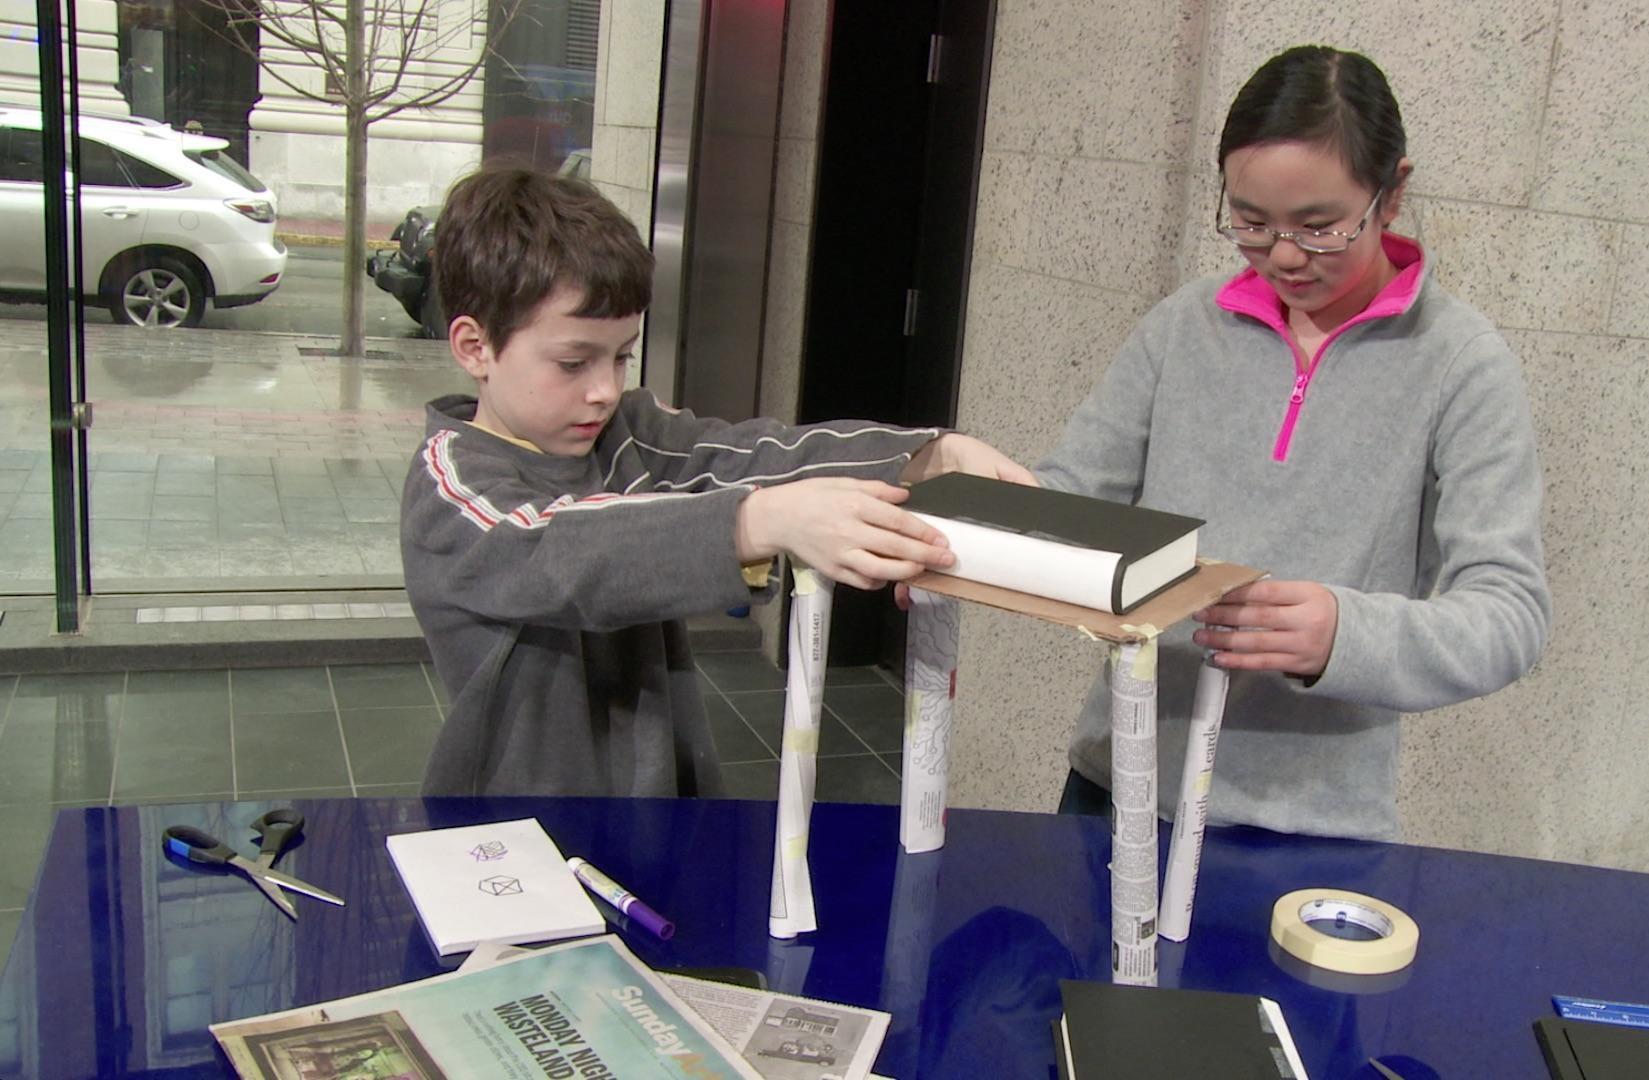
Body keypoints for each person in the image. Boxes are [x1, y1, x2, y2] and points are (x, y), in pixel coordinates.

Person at [1036, 46, 1550, 841]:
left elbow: (1509, 614)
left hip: (1306, 823)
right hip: (1120, 780)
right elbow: (1069, 500)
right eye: (1250, 222)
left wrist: (1343, 634)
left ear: (1392, 193)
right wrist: (965, 539)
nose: (1281, 255)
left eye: (1319, 227)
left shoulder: (1460, 362)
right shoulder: (1185, 326)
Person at [400, 168, 1029, 797]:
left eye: (621, 356)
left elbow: (753, 453)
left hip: (664, 805)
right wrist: (760, 520)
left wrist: (924, 456)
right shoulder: (451, 486)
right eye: (573, 362)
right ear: (475, 346)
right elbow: (561, 553)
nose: (604, 390)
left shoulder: (626, 432)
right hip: (514, 828)